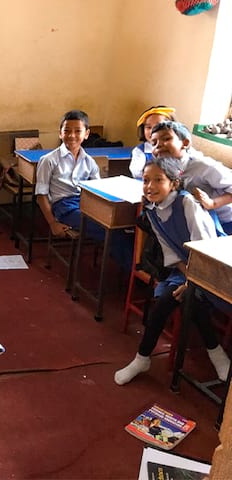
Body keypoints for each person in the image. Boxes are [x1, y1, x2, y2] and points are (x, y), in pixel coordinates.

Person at [114, 157, 230, 385]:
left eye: (158, 180)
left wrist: (192, 283)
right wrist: (188, 279)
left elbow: (205, 247)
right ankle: (144, 358)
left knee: (185, 298)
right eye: (146, 180)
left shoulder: (187, 205)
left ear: (174, 183)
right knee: (175, 300)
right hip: (186, 269)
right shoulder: (152, 211)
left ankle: (215, 357)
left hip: (215, 267)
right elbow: (173, 254)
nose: (150, 186)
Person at [150, 120, 232, 235]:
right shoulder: (162, 169)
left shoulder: (203, 166)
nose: (158, 145)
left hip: (224, 224)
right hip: (193, 223)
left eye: (166, 139)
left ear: (185, 143)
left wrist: (212, 203)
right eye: (153, 143)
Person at [35, 110, 103, 239]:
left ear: (87, 134)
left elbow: (97, 191)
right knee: (105, 228)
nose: (72, 135)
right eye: (67, 131)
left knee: (116, 226)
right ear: (60, 133)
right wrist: (52, 223)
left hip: (84, 204)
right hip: (64, 207)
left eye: (78, 131)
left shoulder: (90, 162)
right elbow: (41, 196)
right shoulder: (48, 160)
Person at [128, 105, 176, 179]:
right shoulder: (140, 151)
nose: (152, 131)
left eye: (158, 126)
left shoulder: (176, 148)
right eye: (148, 127)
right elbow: (136, 173)